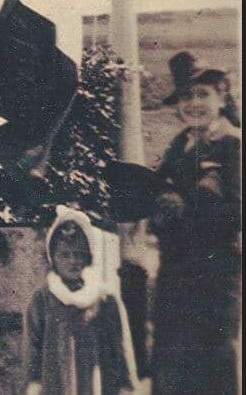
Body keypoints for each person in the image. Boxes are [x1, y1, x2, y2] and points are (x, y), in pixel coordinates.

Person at [150, 52, 241, 395]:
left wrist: (185, 209)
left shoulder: (233, 145)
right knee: (172, 368)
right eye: (187, 96)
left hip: (215, 278)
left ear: (222, 96)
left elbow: (237, 212)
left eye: (203, 93)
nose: (194, 103)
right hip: (175, 273)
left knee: (213, 368)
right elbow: (157, 198)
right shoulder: (177, 146)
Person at [24, 206, 137, 395]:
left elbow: (121, 347)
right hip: (55, 386)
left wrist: (126, 385)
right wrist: (33, 385)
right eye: (65, 254)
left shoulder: (104, 299)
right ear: (53, 258)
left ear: (88, 257)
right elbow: (32, 352)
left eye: (79, 254)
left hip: (98, 385)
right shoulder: (42, 301)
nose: (72, 261)